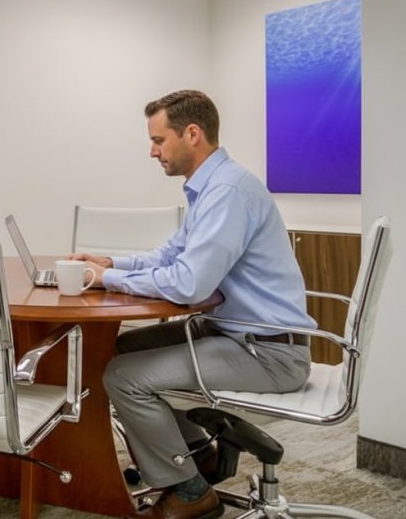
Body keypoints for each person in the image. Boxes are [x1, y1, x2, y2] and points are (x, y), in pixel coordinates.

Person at [71, 89, 314, 519]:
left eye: (159, 140)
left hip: (269, 351)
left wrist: (104, 279)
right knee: (123, 349)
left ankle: (189, 492)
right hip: (235, 332)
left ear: (193, 134)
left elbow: (187, 284)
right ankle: (197, 454)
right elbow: (169, 256)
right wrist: (111, 262)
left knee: (123, 377)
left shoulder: (229, 192)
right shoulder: (210, 188)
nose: (152, 151)